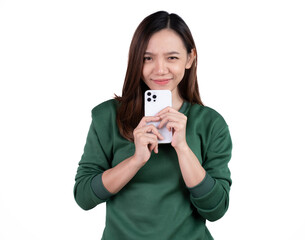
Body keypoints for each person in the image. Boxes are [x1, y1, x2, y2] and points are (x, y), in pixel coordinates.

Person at [73, 10, 232, 240]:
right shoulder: (107, 117)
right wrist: (135, 160)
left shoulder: (210, 124)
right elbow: (84, 197)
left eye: (172, 57)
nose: (159, 69)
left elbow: (216, 209)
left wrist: (183, 149)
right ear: (136, 59)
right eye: (147, 58)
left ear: (190, 58)